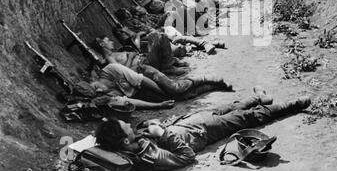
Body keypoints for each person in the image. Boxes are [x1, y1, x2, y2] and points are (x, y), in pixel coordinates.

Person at [95, 87, 311, 170]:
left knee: (231, 107)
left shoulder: (135, 142)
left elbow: (144, 130)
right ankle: (293, 105)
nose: (128, 124)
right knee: (246, 118)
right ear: (125, 141)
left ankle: (258, 97)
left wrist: (150, 126)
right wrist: (162, 133)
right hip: (203, 131)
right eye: (126, 127)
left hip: (192, 121)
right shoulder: (150, 156)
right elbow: (186, 156)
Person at [92, 36, 230, 95]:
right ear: (101, 44)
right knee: (160, 37)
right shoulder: (109, 58)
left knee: (160, 37)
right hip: (142, 66)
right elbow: (124, 70)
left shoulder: (115, 52)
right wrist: (131, 56)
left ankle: (171, 62)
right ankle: (170, 65)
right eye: (107, 40)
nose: (111, 41)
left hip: (144, 61)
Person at [89, 63, 233, 109]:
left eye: (97, 87)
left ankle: (204, 78)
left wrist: (164, 94)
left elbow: (143, 80)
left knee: (175, 89)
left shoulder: (112, 68)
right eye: (97, 93)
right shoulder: (109, 92)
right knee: (184, 97)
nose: (100, 90)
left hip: (147, 75)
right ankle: (213, 86)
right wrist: (158, 105)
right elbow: (132, 102)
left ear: (97, 79)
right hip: (142, 89)